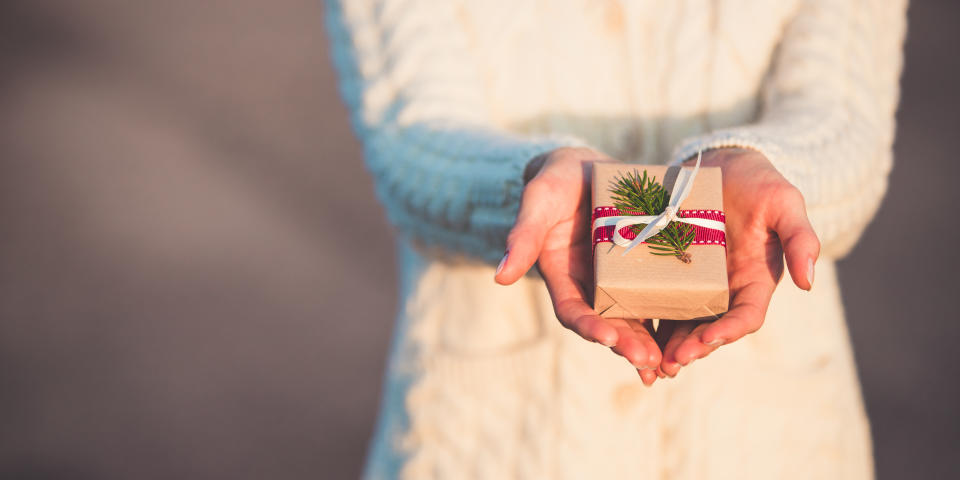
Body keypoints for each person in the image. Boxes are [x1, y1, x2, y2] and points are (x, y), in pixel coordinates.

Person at [325, 0, 907, 478]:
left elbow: (844, 117)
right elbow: (412, 143)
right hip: (498, 443)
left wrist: (771, 166)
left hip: (764, 441)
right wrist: (527, 181)